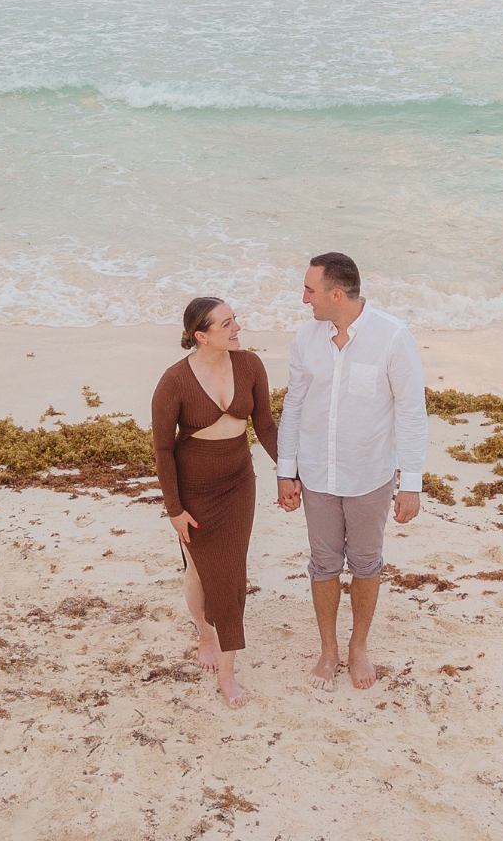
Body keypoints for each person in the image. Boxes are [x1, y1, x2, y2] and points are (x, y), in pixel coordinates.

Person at [277, 253, 428, 691]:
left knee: (365, 563)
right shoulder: (306, 338)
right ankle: (328, 648)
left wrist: (411, 483)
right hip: (318, 476)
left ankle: (358, 646)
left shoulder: (393, 338)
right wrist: (287, 472)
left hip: (370, 477)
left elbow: (412, 414)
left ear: (336, 295)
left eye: (310, 290)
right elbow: (294, 406)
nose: (304, 299)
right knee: (323, 564)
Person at [151, 297, 279, 708]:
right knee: (199, 574)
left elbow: (265, 426)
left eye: (235, 319)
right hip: (195, 488)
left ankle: (227, 673)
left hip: (238, 482)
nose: (237, 327)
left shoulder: (250, 365)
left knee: (231, 573)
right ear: (202, 336)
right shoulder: (174, 381)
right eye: (227, 324)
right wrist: (174, 509)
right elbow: (163, 451)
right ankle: (205, 634)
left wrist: (291, 473)